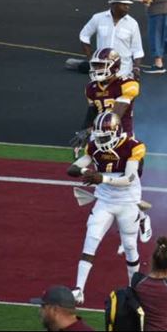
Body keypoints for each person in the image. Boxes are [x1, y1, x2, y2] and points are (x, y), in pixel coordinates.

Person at [68, 110, 147, 303]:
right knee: (91, 239)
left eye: (104, 137)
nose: (100, 141)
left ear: (116, 132)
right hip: (105, 200)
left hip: (128, 200)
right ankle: (79, 289)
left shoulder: (133, 146)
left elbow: (129, 178)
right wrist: (86, 171)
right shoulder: (94, 146)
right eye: (98, 137)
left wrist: (101, 178)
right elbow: (72, 168)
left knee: (130, 246)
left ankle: (133, 290)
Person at [74, 0, 144, 78]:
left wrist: (136, 68)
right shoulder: (98, 18)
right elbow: (84, 35)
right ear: (113, 5)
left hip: (124, 73)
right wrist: (91, 58)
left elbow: (138, 50)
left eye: (128, 5)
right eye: (123, 4)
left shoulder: (132, 23)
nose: (127, 7)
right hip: (102, 72)